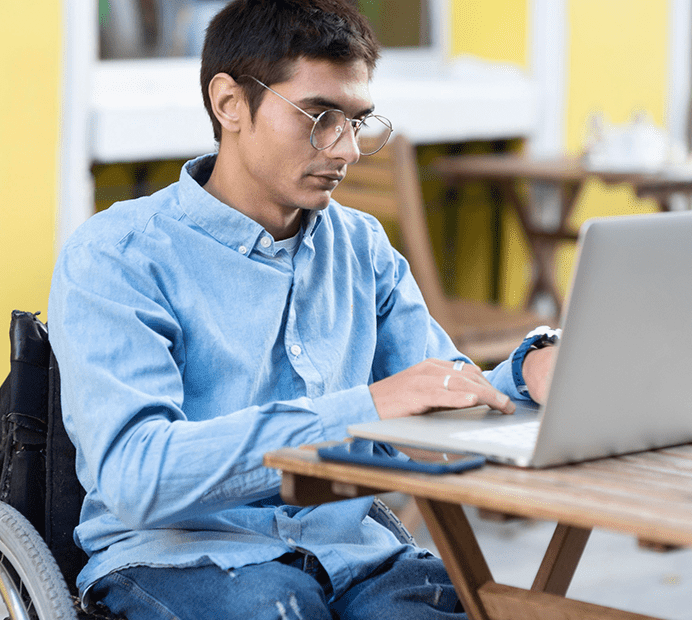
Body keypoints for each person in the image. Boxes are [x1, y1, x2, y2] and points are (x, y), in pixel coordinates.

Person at [48, 0, 558, 618]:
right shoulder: (118, 257)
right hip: (179, 557)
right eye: (319, 116)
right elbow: (137, 476)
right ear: (229, 103)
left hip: (352, 554)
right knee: (280, 606)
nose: (344, 149)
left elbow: (436, 399)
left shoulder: (362, 247)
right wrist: (365, 408)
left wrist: (528, 376)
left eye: (357, 121)